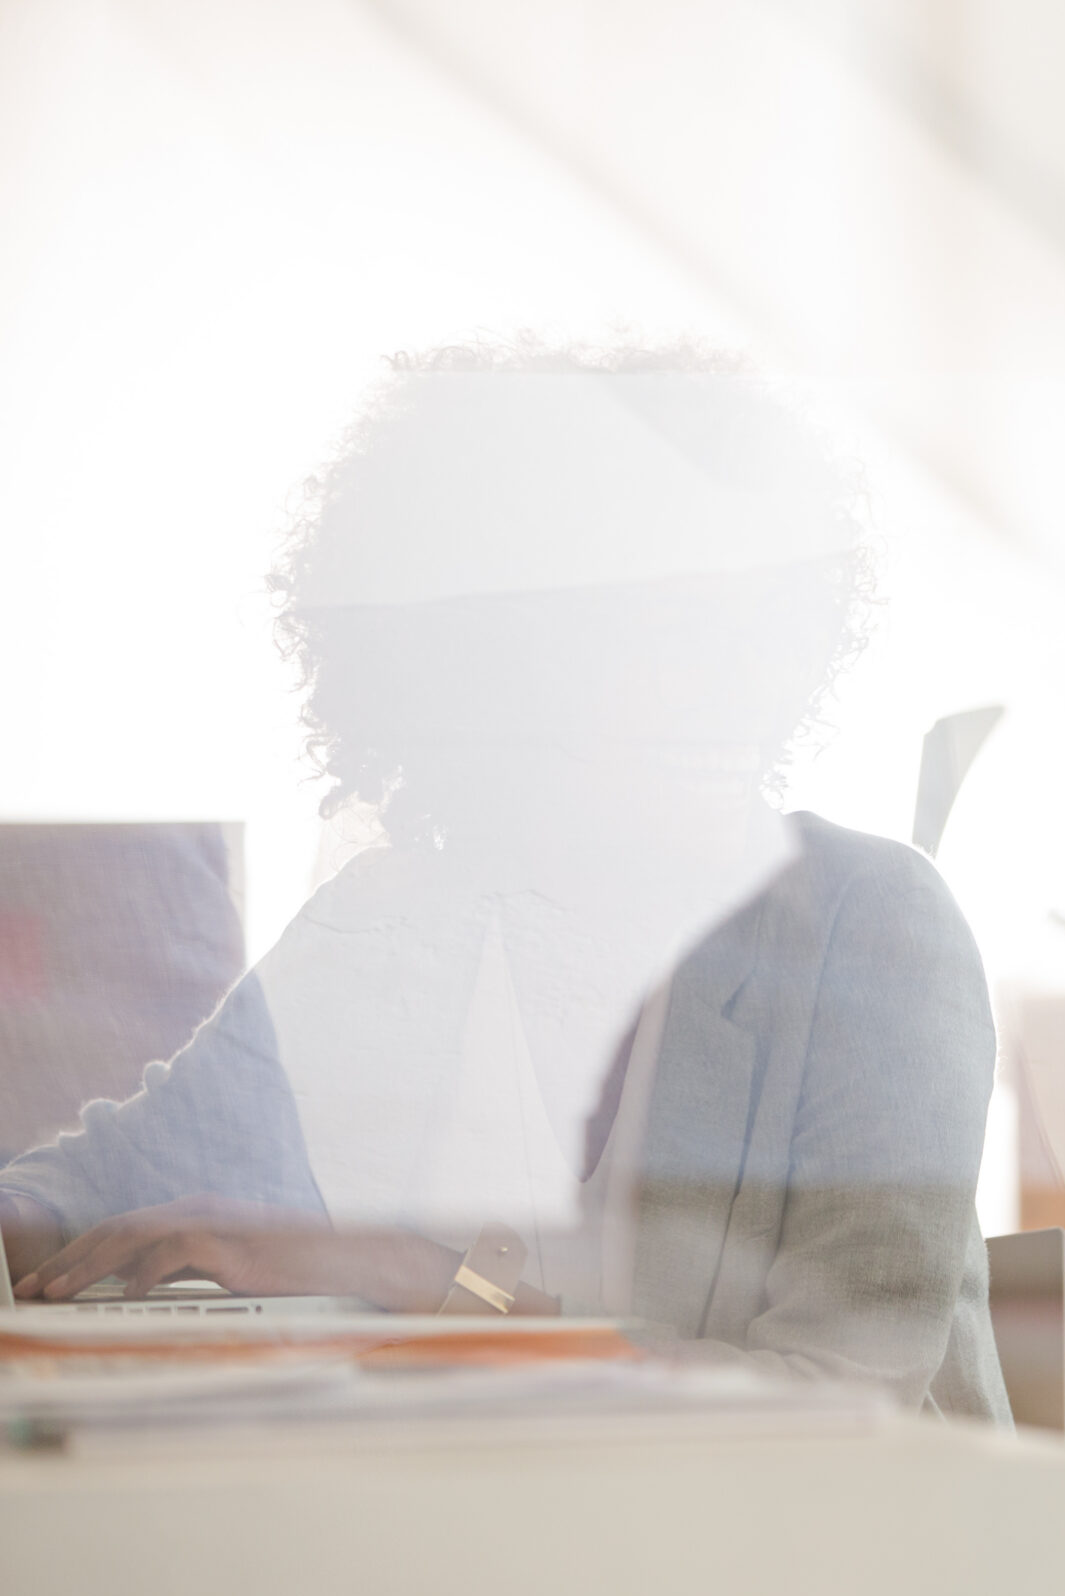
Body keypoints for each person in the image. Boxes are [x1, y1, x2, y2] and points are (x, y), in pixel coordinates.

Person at [0, 341, 1009, 1420]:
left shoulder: (872, 930)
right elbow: (79, 1196)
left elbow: (832, 1413)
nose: (730, 691)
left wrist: (422, 1283)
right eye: (660, 630)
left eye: (754, 628)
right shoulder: (387, 929)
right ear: (493, 652)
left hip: (820, 1568)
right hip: (485, 1549)